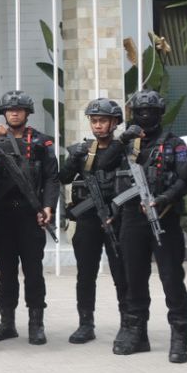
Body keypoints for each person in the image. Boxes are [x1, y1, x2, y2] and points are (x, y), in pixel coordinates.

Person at [113, 89, 187, 361]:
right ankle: (137, 334)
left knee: (171, 278)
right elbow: (103, 163)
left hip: (163, 217)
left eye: (151, 111)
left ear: (160, 113)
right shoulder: (127, 144)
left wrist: (164, 199)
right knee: (133, 278)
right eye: (140, 112)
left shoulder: (175, 144)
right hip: (132, 219)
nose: (145, 116)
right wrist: (121, 140)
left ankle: (179, 336)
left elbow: (185, 179)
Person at [0, 91, 59, 345]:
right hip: (3, 214)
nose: (14, 113)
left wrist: (48, 207)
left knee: (34, 271)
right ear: (4, 113)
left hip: (30, 214)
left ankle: (36, 324)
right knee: (6, 272)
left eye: (19, 109)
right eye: (10, 110)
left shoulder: (41, 142)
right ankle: (7, 323)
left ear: (27, 113)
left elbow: (51, 178)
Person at [57, 98, 129, 344]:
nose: (98, 125)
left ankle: (127, 323)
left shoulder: (124, 150)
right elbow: (63, 178)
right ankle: (85, 324)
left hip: (116, 219)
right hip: (88, 220)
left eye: (103, 121)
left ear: (114, 123)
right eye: (94, 121)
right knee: (85, 274)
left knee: (121, 274)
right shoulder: (84, 151)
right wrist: (72, 159)